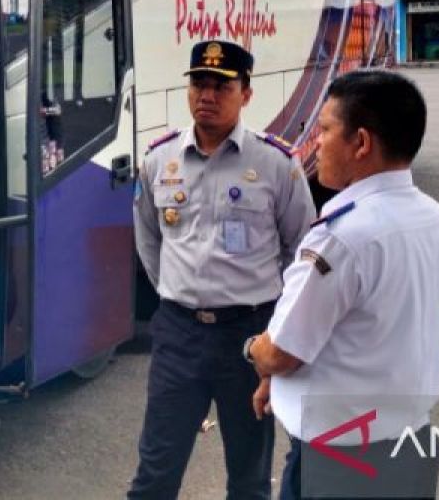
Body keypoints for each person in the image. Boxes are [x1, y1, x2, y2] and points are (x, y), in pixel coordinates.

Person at [246, 70, 439, 500]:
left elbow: (281, 352)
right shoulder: (434, 217)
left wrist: (252, 348)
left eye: (324, 130)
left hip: (342, 462)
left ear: (360, 143)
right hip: (410, 442)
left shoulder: (342, 237)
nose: (315, 143)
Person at [129, 39, 315, 500]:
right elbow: (149, 241)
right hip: (177, 334)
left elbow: (302, 248)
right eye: (199, 84)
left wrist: (278, 329)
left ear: (246, 94)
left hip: (248, 335)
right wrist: (181, 293)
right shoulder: (159, 160)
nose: (207, 95)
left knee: (249, 476)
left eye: (221, 86)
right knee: (156, 471)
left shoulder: (275, 162)